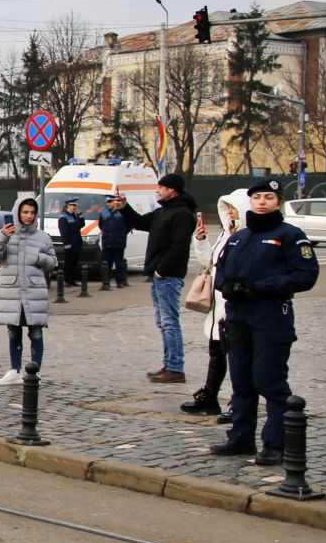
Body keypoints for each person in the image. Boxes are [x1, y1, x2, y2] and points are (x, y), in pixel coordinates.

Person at [207, 178, 319, 465]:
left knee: (270, 383)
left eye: (269, 197)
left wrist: (261, 287)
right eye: (257, 197)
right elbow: (219, 273)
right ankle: (241, 439)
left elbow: (305, 275)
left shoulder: (290, 235)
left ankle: (275, 444)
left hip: (271, 318)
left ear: (278, 201)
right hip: (238, 317)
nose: (262, 202)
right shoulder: (238, 237)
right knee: (242, 382)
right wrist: (228, 287)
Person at [117, 173, 201, 384]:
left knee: (170, 322)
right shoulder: (163, 211)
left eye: (161, 187)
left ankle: (175, 368)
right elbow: (141, 222)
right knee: (162, 322)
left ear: (172, 190)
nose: (157, 190)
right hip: (159, 275)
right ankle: (169, 364)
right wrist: (125, 207)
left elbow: (179, 247)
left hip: (168, 276)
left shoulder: (181, 214)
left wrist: (162, 270)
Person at [182, 190, 248, 417]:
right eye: (227, 207)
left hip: (233, 305)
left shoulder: (246, 236)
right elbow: (210, 262)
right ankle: (210, 396)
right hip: (217, 306)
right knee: (216, 352)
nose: (230, 212)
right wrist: (200, 240)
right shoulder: (226, 233)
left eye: (235, 208)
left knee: (237, 357)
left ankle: (238, 402)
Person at [0, 198, 56, 384]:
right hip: (12, 291)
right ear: (18, 212)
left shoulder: (43, 237)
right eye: (25, 212)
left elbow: (53, 262)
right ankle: (14, 370)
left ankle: (35, 372)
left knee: (36, 333)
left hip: (34, 292)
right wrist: (2, 238)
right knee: (13, 332)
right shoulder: (6, 233)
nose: (29, 216)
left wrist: (41, 258)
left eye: (32, 212)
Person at [97, 196, 131, 289]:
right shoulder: (103, 213)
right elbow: (101, 225)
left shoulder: (122, 213)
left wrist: (121, 234)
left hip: (119, 243)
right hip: (107, 242)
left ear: (116, 202)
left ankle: (119, 282)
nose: (108, 204)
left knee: (119, 264)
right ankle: (105, 282)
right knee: (106, 263)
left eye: (110, 202)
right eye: (107, 202)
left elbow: (128, 226)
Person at [58, 199, 85, 287]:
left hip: (77, 243)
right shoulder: (64, 217)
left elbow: (81, 225)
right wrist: (66, 244)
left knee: (74, 263)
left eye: (75, 205)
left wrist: (80, 215)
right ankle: (67, 280)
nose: (74, 207)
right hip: (69, 244)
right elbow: (64, 232)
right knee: (68, 263)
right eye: (72, 205)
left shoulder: (74, 216)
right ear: (67, 206)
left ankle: (72, 280)